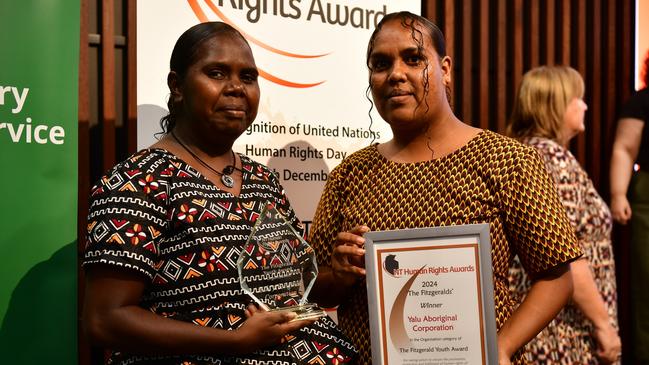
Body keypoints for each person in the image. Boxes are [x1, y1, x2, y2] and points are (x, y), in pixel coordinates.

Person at [307, 11, 582, 365]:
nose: (396, 74)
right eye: (380, 64)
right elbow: (313, 286)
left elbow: (557, 275)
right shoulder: (350, 174)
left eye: (413, 58)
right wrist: (341, 276)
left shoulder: (508, 161)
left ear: (446, 69)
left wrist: (504, 346)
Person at [82, 22, 356, 365]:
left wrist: (340, 275)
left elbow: (292, 290)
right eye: (216, 73)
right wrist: (234, 341)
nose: (236, 88)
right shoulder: (138, 180)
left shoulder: (263, 180)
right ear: (177, 86)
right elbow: (105, 320)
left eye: (248, 77)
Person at [507, 66, 621, 364]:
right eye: (578, 98)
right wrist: (604, 325)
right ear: (556, 104)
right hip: (563, 332)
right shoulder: (552, 160)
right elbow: (566, 256)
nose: (585, 105)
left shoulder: (525, 154)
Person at [610, 50, 649, 364]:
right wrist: (619, 193)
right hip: (647, 195)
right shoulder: (642, 101)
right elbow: (624, 148)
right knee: (646, 284)